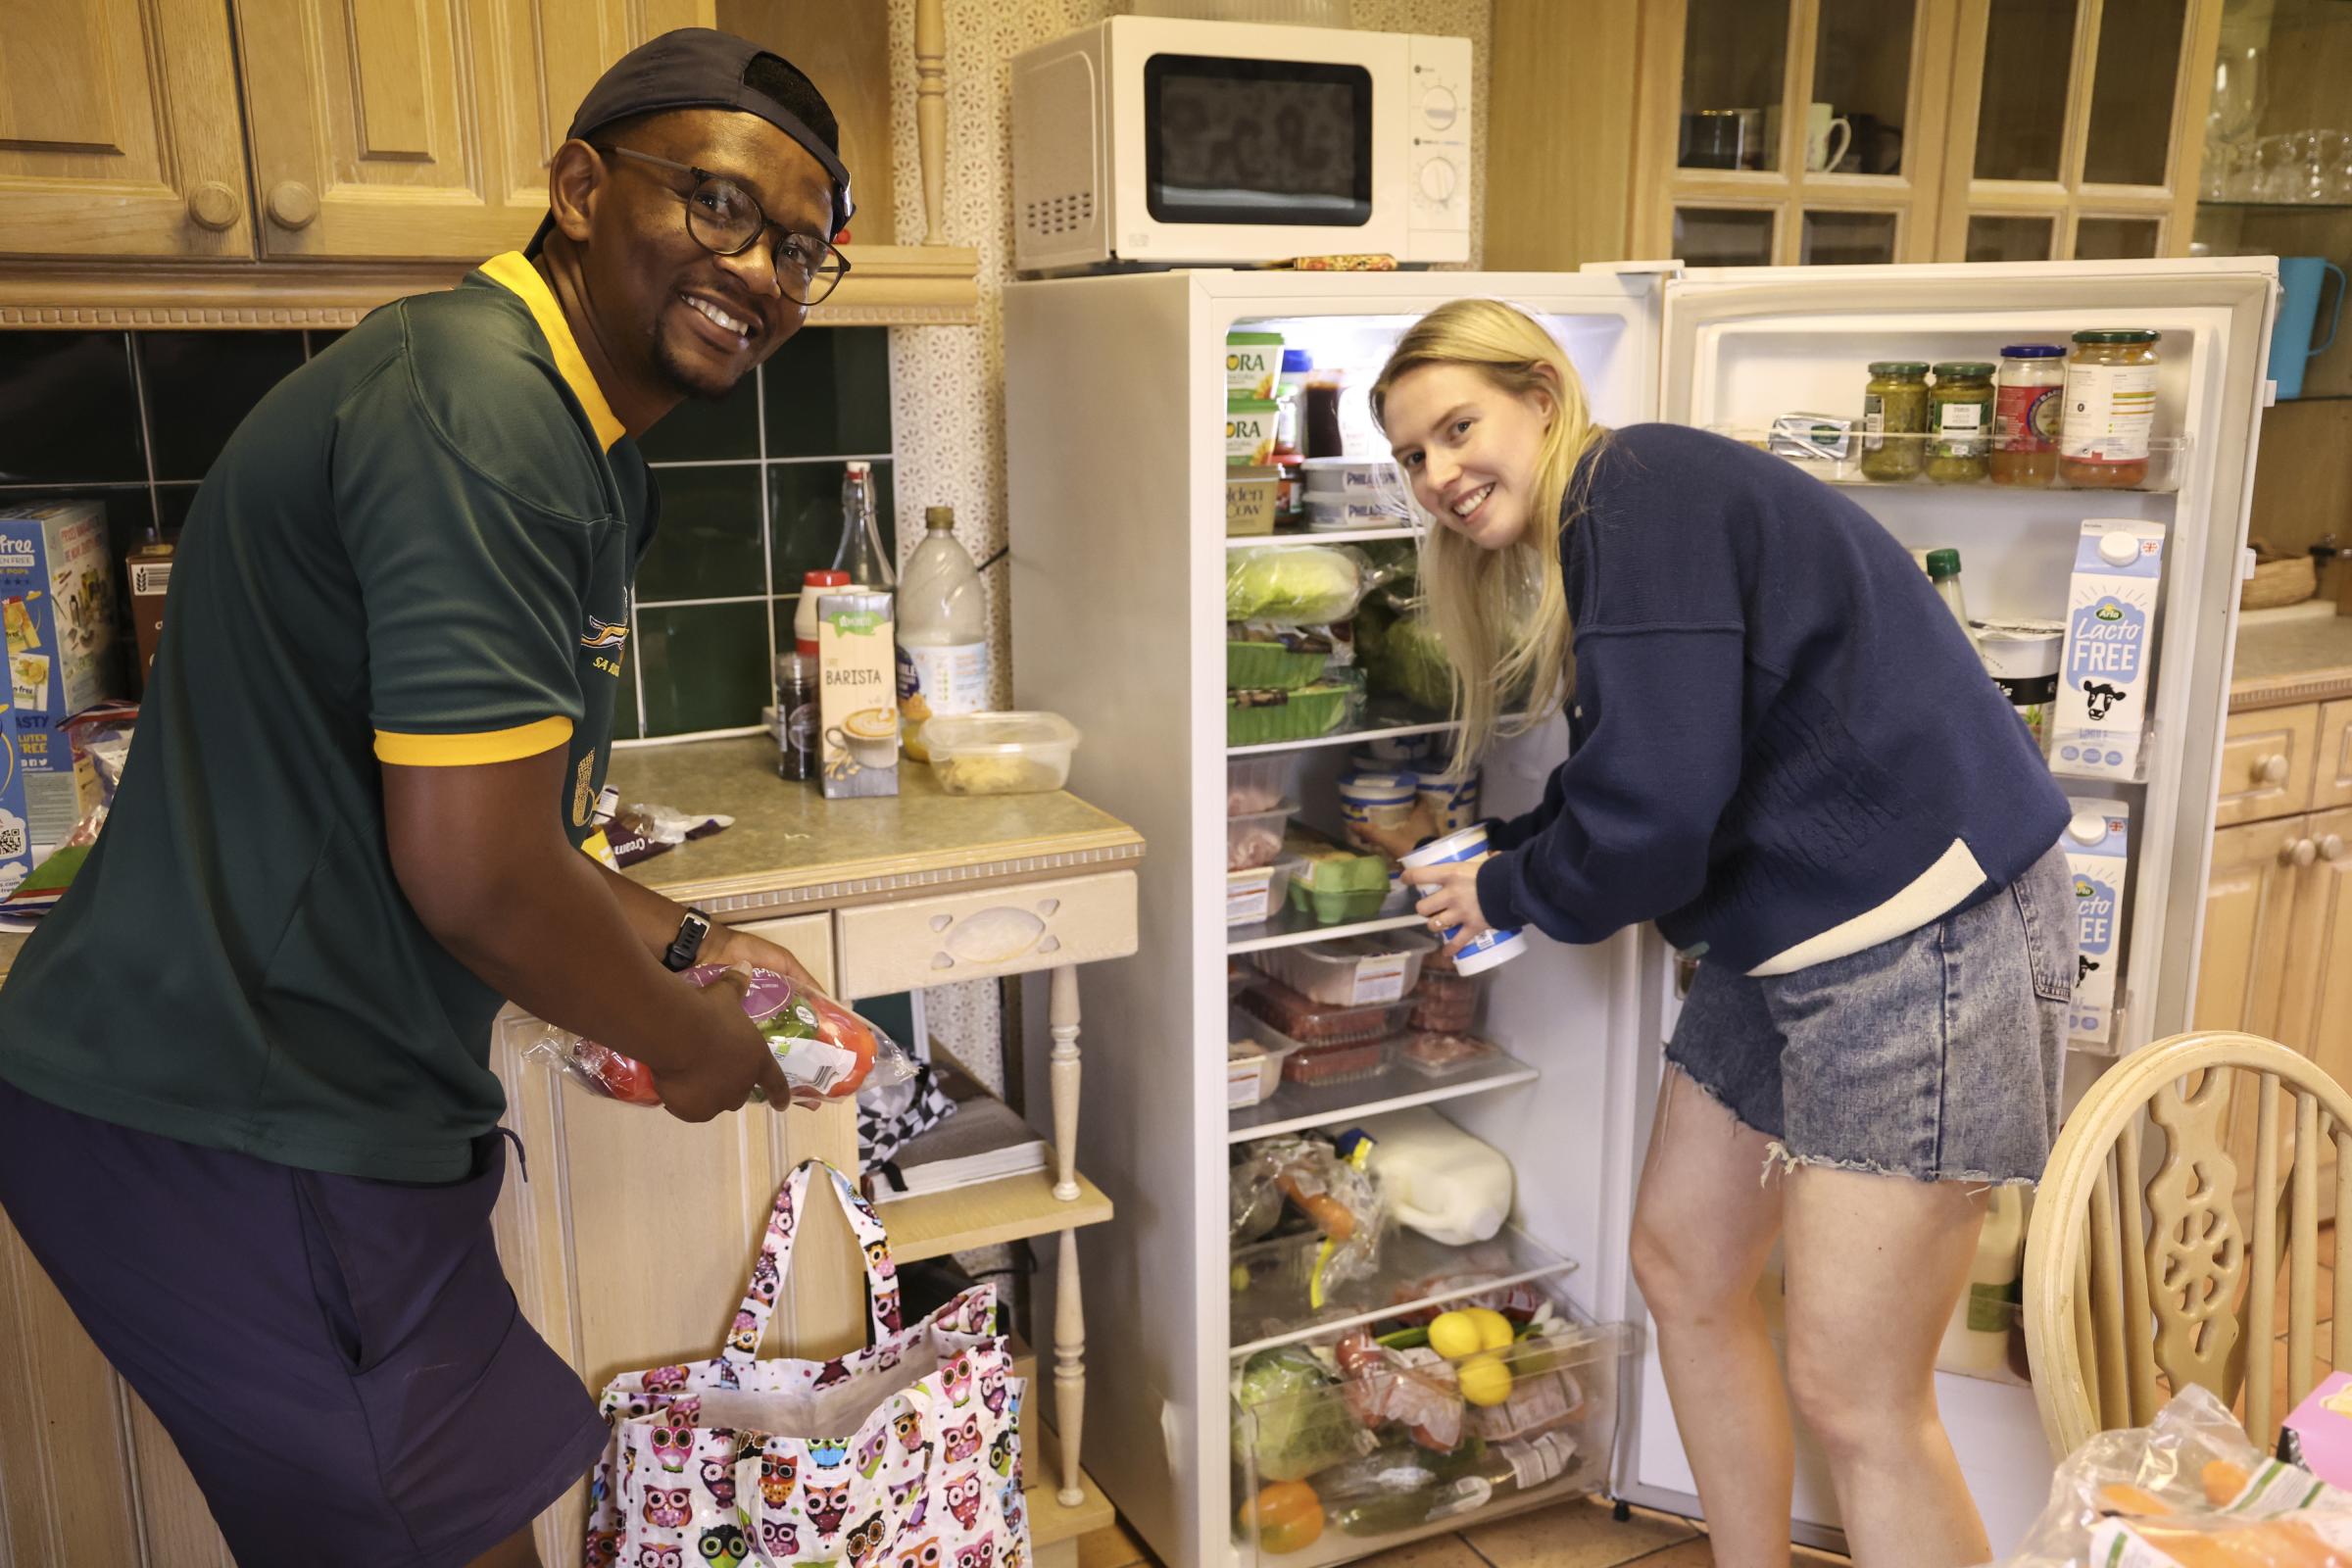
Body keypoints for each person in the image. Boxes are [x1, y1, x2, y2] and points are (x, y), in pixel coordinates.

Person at [0, 29, 858, 1568]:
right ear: (581, 188)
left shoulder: (577, 441)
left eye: (803, 249)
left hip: (306, 1110)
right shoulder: (480, 407)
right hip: (240, 1116)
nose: (766, 272)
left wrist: (690, 943)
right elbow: (473, 878)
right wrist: (696, 1043)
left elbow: (525, 834)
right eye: (722, 207)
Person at [1360, 299, 2074, 1568]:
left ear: (1540, 392)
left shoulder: (1638, 490)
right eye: (1412, 456)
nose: (1439, 476)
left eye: (1458, 428)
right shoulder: (1608, 519)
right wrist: (1516, 860)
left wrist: (1512, 895)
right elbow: (1642, 758)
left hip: (1922, 937)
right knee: (1685, 1265)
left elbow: (1657, 817)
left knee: (1861, 1395)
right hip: (1790, 932)